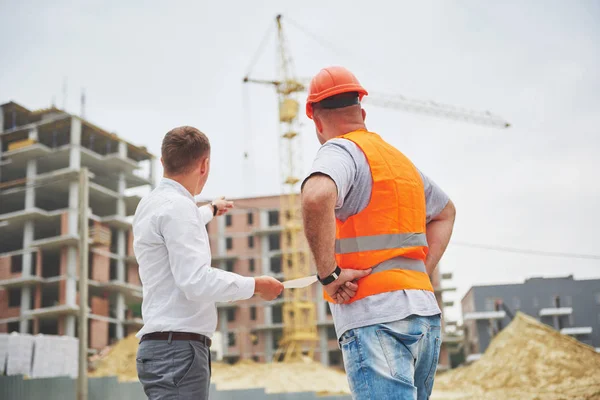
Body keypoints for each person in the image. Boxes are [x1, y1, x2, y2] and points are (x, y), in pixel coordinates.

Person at [301, 67, 456, 400]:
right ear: (362, 112)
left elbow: (315, 196)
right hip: (424, 315)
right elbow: (445, 213)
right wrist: (418, 274)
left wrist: (329, 275)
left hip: (375, 316)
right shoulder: (399, 162)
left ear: (315, 120)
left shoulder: (340, 150)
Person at [133, 126, 283, 400]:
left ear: (163, 161)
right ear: (205, 164)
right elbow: (196, 282)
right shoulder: (179, 208)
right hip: (179, 352)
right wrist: (256, 285)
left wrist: (210, 210)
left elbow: (174, 230)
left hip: (161, 348)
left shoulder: (151, 204)